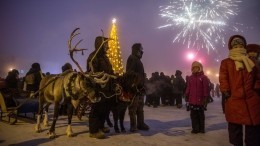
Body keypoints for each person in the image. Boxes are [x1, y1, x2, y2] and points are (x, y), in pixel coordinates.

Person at [219, 35, 260, 146]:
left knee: (253, 128)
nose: (238, 46)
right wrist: (226, 92)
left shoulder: (252, 61)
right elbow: (223, 78)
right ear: (231, 47)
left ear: (244, 46)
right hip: (234, 98)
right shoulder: (226, 62)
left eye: (240, 44)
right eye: (235, 45)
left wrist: (256, 90)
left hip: (251, 99)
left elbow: (258, 77)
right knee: (234, 128)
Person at [86, 36, 115, 139]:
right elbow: (91, 74)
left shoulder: (105, 57)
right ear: (100, 45)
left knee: (105, 109)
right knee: (96, 109)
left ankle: (101, 126)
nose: (108, 46)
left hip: (107, 88)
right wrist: (94, 88)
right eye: (106, 44)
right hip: (99, 87)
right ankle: (93, 131)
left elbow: (109, 71)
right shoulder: (93, 57)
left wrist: (114, 76)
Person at [126, 43, 149, 132]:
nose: (142, 51)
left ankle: (141, 123)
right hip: (134, 87)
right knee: (133, 107)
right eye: (140, 49)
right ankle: (133, 125)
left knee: (140, 107)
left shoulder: (138, 60)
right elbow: (129, 72)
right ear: (136, 50)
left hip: (140, 87)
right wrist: (139, 76)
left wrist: (142, 77)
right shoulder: (132, 58)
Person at [185, 61, 209, 134]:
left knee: (200, 115)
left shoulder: (203, 77)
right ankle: (195, 128)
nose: (195, 69)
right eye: (193, 68)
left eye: (196, 67)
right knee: (193, 115)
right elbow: (188, 87)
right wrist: (186, 94)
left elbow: (205, 88)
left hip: (200, 100)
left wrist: (205, 98)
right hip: (192, 99)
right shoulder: (190, 78)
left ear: (199, 68)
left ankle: (201, 128)